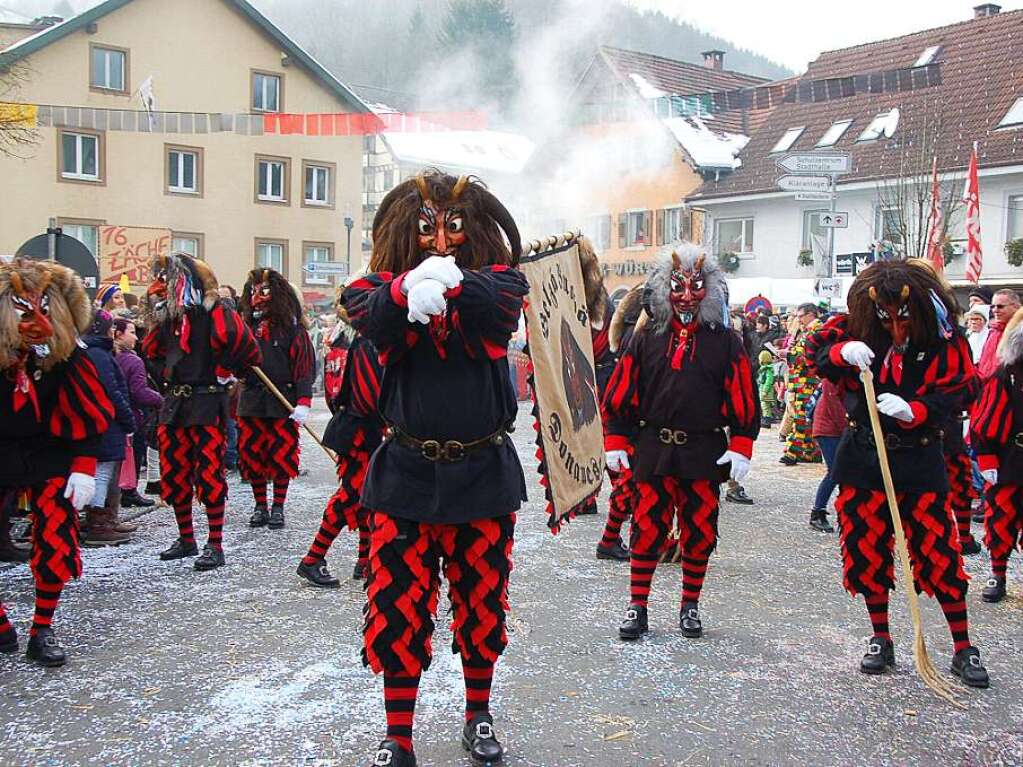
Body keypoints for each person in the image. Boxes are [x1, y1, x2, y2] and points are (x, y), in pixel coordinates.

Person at [344, 170, 527, 767]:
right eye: (427, 231)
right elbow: (365, 308)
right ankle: (397, 735)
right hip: (405, 475)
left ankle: (478, 715)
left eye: (453, 228)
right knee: (398, 610)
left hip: (483, 476)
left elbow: (503, 299)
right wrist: (405, 291)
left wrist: (447, 283)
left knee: (481, 608)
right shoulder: (381, 287)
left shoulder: (496, 285)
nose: (441, 240)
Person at [806, 260, 989, 687]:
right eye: (885, 315)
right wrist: (840, 352)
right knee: (866, 550)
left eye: (901, 314)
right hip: (863, 457)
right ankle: (880, 638)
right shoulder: (854, 328)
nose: (894, 324)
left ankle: (963, 648)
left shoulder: (944, 339)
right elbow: (814, 353)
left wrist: (919, 411)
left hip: (921, 456)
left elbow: (964, 390)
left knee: (940, 553)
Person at [604, 246, 759, 643]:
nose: (687, 296)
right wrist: (616, 437)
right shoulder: (645, 339)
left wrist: (742, 442)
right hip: (653, 447)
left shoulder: (725, 342)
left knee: (700, 530)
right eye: (677, 287)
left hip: (704, 450)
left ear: (710, 291)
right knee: (646, 527)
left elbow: (743, 393)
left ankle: (690, 605)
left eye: (696, 287)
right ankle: (637, 605)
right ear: (663, 290)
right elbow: (621, 390)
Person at [0, 259, 114, 666]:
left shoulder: (67, 358)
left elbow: (89, 414)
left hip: (51, 454)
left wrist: (84, 465)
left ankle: (41, 629)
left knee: (54, 543)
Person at [141, 252, 260, 571]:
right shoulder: (169, 318)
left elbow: (245, 346)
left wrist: (226, 371)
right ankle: (186, 538)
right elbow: (150, 350)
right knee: (175, 473)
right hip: (175, 404)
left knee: (209, 474)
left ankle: (215, 544)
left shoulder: (216, 313)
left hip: (207, 402)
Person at [298, 292, 383, 587]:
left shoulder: (350, 342)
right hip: (361, 433)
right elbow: (370, 399)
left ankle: (364, 560)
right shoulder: (364, 344)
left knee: (366, 498)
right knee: (352, 496)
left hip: (359, 430)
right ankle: (313, 558)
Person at [236, 268, 315, 530]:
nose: (258, 296)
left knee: (282, 456)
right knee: (252, 456)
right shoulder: (245, 327)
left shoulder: (293, 329)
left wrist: (303, 401)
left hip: (283, 401)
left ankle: (278, 506)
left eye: (264, 290)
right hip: (252, 400)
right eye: (253, 291)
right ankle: (260, 505)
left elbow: (304, 367)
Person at [970, 306, 1023, 603]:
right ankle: (998, 573)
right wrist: (987, 459)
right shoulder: (1006, 374)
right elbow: (984, 421)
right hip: (1010, 458)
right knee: (1001, 518)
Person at [596, 284, 644, 561]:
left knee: (627, 482)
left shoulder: (626, 334)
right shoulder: (635, 339)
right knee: (629, 482)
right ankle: (612, 540)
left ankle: (615, 539)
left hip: (620, 413)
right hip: (626, 416)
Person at [82, 310, 137, 546]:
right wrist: (127, 419)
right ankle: (98, 523)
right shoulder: (99, 354)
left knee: (101, 472)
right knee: (101, 473)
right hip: (106, 421)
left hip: (101, 420)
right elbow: (111, 390)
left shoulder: (92, 352)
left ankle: (104, 519)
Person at [113, 317, 163, 508]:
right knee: (133, 451)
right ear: (118, 334)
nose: (136, 338)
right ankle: (129, 491)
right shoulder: (133, 361)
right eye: (132, 332)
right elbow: (139, 391)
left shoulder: (111, 357)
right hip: (131, 414)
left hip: (111, 414)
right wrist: (160, 400)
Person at [780, 303, 822, 465]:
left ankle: (792, 452)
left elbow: (806, 354)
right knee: (803, 416)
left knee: (800, 417)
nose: (799, 320)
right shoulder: (807, 331)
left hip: (807, 381)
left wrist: (788, 353)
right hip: (801, 380)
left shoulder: (816, 329)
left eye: (800, 316)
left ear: (810, 314)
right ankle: (811, 451)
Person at [808, 378, 844, 533]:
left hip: (833, 429)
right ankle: (817, 512)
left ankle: (844, 512)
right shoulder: (832, 378)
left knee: (842, 472)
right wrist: (849, 430)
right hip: (828, 430)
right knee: (835, 471)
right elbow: (835, 408)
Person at [977, 289, 1021, 381]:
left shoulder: (1019, 332)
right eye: (993, 306)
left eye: (1000, 306)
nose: (995, 310)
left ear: (1016, 307)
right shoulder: (993, 331)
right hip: (987, 388)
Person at [756, 349, 777, 427]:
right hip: (762, 391)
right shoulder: (763, 369)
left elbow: (769, 380)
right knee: (764, 406)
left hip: (766, 392)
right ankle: (765, 418)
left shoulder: (768, 369)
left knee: (766, 406)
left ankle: (767, 420)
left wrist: (765, 390)